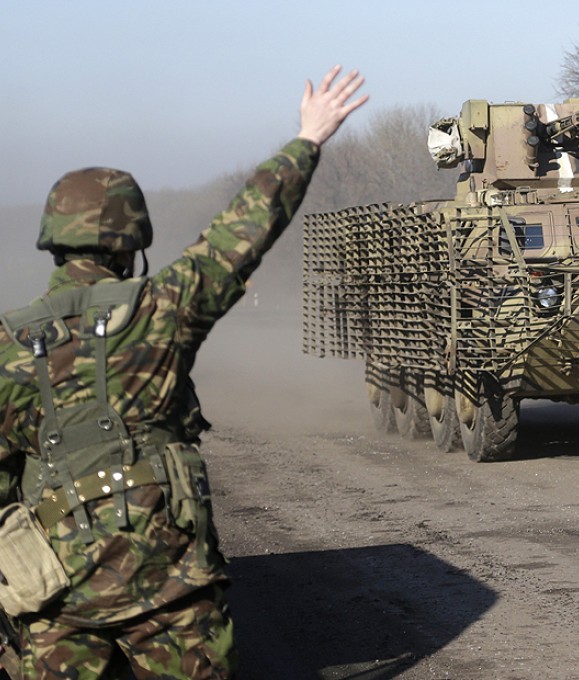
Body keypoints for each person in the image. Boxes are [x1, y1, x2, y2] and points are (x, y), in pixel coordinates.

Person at [0, 65, 368, 679]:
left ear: (54, 242)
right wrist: (307, 139)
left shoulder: (10, 344)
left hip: (56, 595)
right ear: (131, 242)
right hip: (169, 588)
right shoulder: (164, 307)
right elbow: (243, 230)